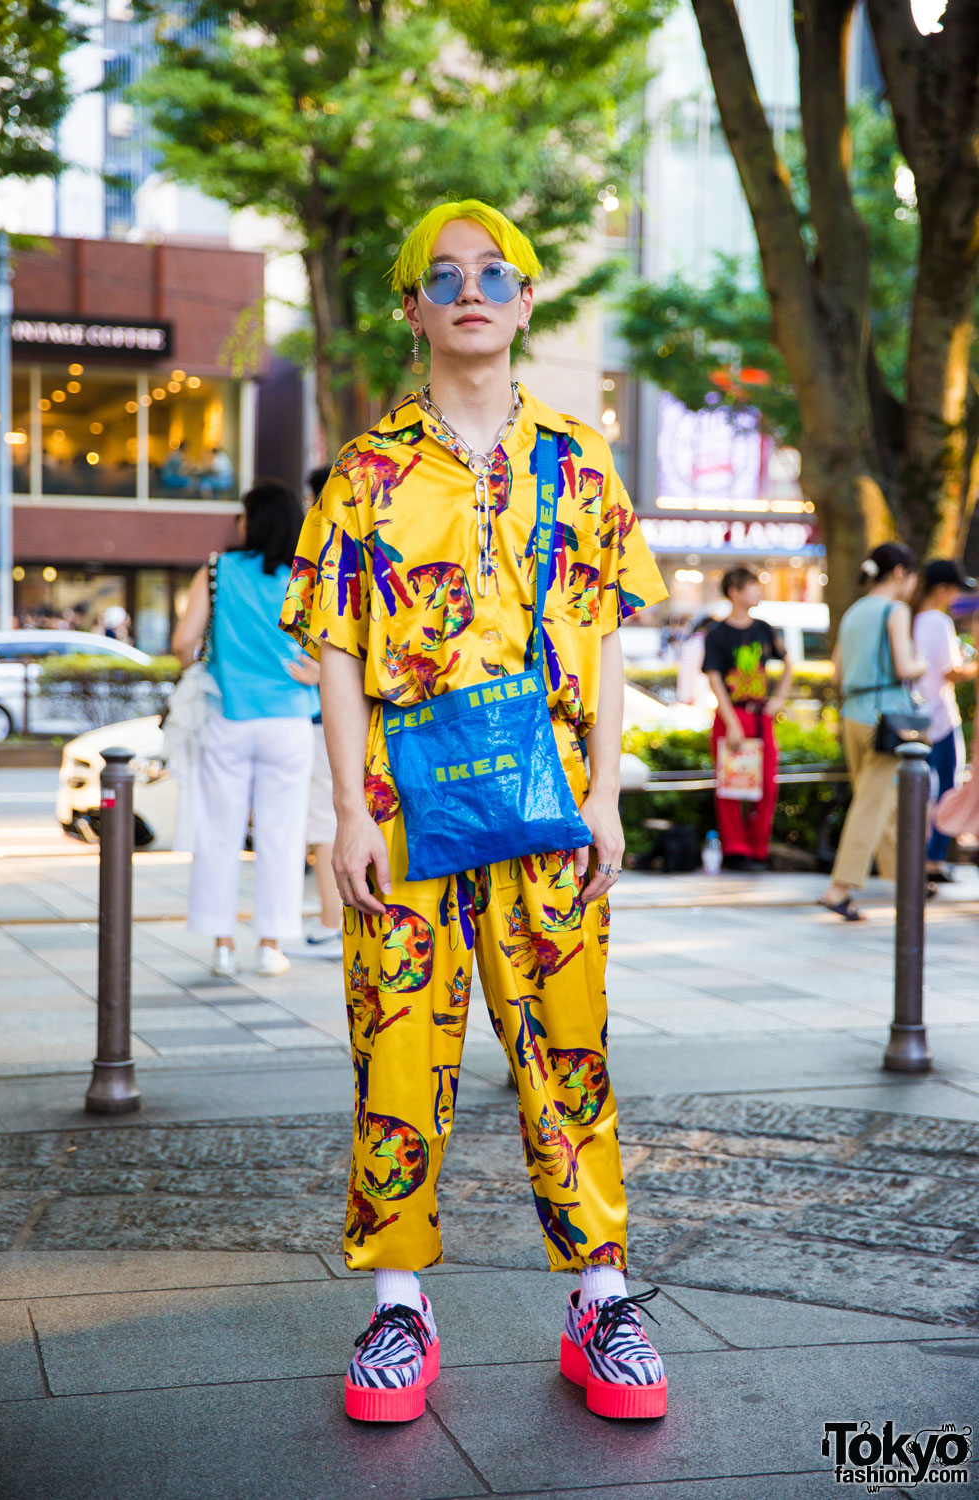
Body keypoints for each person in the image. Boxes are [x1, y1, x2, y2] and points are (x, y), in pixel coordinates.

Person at [279, 199, 670, 1424]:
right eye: (441, 275)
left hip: (552, 804)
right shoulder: (367, 472)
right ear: (411, 309)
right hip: (403, 811)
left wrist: (607, 792)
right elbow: (337, 649)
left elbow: (603, 640)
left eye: (495, 273)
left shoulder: (581, 460)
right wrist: (347, 812)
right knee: (396, 1049)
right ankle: (400, 1304)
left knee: (569, 1044)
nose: (470, 289)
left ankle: (599, 1296)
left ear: (527, 300)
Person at [173, 480, 318, 977]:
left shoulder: (217, 570)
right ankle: (271, 945)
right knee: (282, 833)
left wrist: (218, 658)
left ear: (250, 521)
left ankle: (221, 944)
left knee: (219, 830)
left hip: (229, 716)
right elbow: (331, 649)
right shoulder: (307, 577)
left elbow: (183, 640)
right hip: (291, 720)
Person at [820, 542, 926, 920]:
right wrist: (922, 663)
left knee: (884, 800)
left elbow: (836, 672)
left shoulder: (854, 611)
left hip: (853, 714)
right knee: (873, 803)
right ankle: (839, 889)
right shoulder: (895, 610)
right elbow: (904, 666)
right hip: (888, 719)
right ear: (900, 574)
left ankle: (908, 876)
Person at [286, 465, 345, 962]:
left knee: (327, 822)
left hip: (330, 720)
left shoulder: (330, 547)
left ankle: (333, 921)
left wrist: (321, 674)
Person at [702, 568, 792, 871]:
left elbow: (788, 662)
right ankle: (735, 849)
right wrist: (732, 722)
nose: (758, 592)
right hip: (732, 714)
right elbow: (714, 680)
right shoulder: (717, 634)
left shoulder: (765, 629)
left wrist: (778, 700)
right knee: (731, 784)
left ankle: (758, 849)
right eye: (752, 587)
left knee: (767, 783)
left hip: (760, 714)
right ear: (735, 592)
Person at [913, 560, 978, 881]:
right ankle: (933, 858)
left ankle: (919, 856)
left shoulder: (905, 617)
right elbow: (950, 671)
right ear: (942, 589)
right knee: (947, 788)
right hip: (940, 718)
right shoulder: (938, 622)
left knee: (919, 790)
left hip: (913, 720)